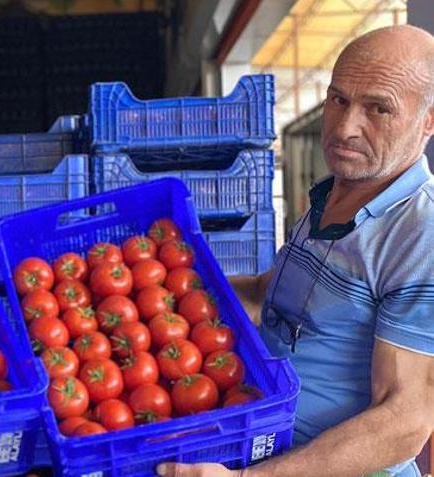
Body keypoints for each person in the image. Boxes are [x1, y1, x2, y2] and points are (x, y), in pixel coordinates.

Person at [157, 25, 434, 477]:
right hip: (266, 438)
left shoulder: (421, 231)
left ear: (428, 121)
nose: (345, 127)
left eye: (378, 108)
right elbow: (273, 294)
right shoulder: (336, 191)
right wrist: (170, 289)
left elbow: (405, 420)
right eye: (338, 99)